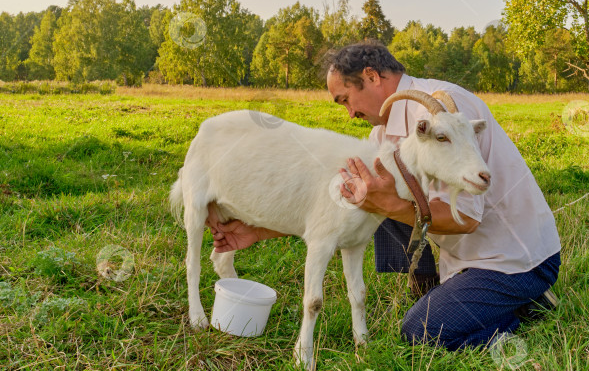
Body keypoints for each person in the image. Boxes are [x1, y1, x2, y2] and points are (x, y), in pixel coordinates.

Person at [206, 41, 562, 351]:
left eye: (346, 99)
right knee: (374, 186)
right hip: (464, 260)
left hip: (514, 259)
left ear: (372, 77)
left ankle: (520, 306)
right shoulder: (383, 134)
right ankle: (430, 285)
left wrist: (389, 203)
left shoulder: (441, 111)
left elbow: (467, 219)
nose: (349, 113)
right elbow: (335, 211)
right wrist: (259, 230)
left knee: (422, 331)